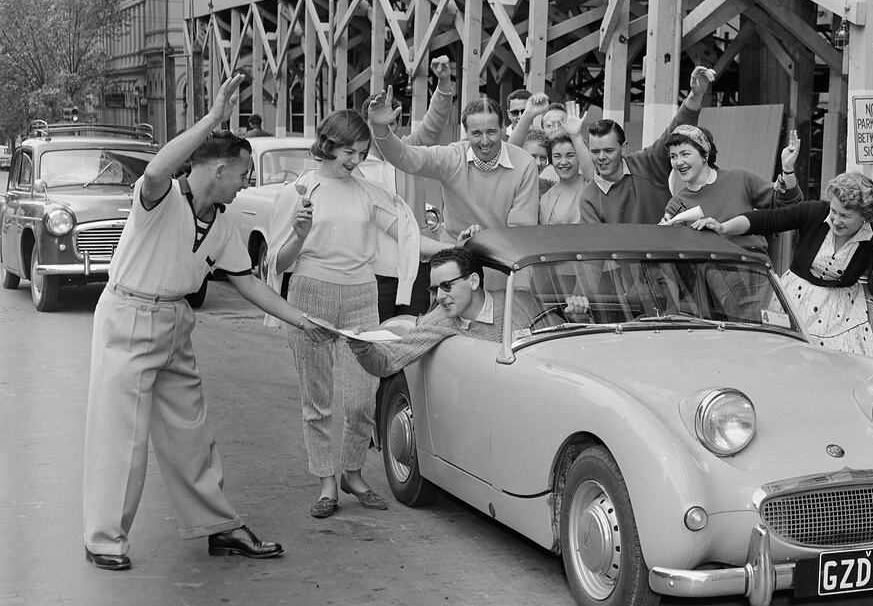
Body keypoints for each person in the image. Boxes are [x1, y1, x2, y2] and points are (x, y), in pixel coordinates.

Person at [81, 73, 337, 571]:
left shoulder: (222, 223)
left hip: (176, 321)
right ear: (219, 169)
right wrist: (212, 119)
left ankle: (218, 527)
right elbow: (157, 170)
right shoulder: (160, 200)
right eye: (243, 175)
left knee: (191, 434)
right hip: (129, 315)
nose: (246, 185)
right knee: (121, 436)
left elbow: (249, 283)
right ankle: (105, 539)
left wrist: (302, 322)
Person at [265, 109, 419, 519]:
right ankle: (326, 482)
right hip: (309, 295)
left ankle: (353, 472)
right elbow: (277, 264)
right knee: (316, 401)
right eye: (348, 151)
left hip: (361, 297)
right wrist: (299, 236)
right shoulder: (300, 191)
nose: (354, 160)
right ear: (328, 144)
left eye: (362, 152)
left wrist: (458, 246)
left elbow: (404, 234)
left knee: (361, 400)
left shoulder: (368, 192)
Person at [692, 171, 873, 355]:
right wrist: (723, 227)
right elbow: (767, 219)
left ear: (864, 217)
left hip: (840, 316)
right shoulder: (816, 212)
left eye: (845, 216)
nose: (836, 220)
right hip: (795, 302)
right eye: (834, 211)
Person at [345, 246, 590, 376]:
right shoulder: (439, 319)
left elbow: (564, 348)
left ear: (473, 281)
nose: (440, 297)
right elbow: (389, 361)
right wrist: (363, 348)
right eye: (434, 289)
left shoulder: (521, 301)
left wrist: (579, 318)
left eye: (447, 286)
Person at [367, 78, 540, 241]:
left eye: (491, 132)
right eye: (477, 133)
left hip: (503, 259)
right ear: (466, 132)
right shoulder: (453, 157)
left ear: (503, 128)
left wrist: (486, 243)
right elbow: (405, 157)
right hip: (455, 257)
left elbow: (521, 230)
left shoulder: (525, 164)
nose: (485, 141)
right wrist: (381, 129)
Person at [579, 65, 714, 225]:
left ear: (624, 148)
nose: (601, 157)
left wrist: (695, 96)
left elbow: (676, 132)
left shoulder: (648, 163)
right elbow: (596, 247)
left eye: (608, 150)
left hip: (669, 249)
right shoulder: (588, 198)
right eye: (595, 151)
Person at [657, 123, 800, 253]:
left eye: (685, 154)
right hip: (710, 277)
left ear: (704, 155)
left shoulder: (739, 179)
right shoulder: (677, 205)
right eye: (673, 156)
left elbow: (787, 205)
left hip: (755, 270)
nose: (678, 162)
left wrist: (787, 169)